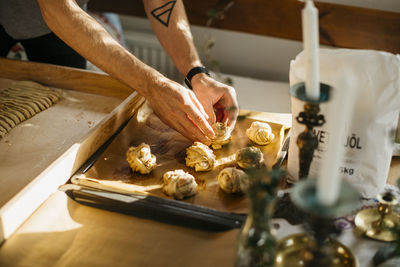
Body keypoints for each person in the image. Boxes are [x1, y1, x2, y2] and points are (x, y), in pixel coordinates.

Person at [0, 0, 239, 145]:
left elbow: (162, 3)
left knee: (63, 126)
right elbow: (57, 10)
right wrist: (152, 85)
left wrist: (196, 73)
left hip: (46, 22)